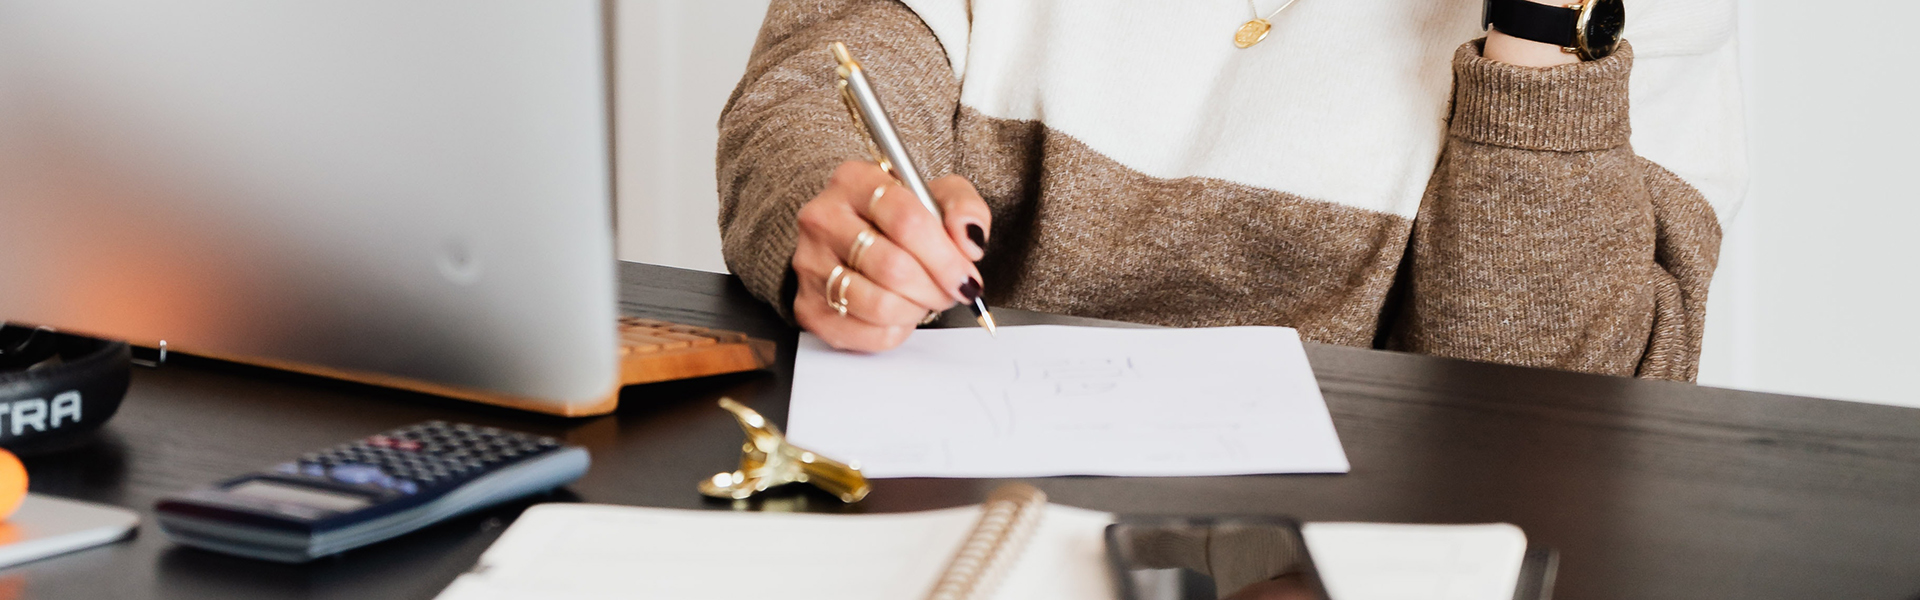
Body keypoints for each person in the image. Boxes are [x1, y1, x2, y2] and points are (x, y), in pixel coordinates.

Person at [716, 0, 1744, 381]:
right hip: (967, 511)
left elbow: (1546, 410)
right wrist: (839, 207)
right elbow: (820, 82)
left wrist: (1540, 28)